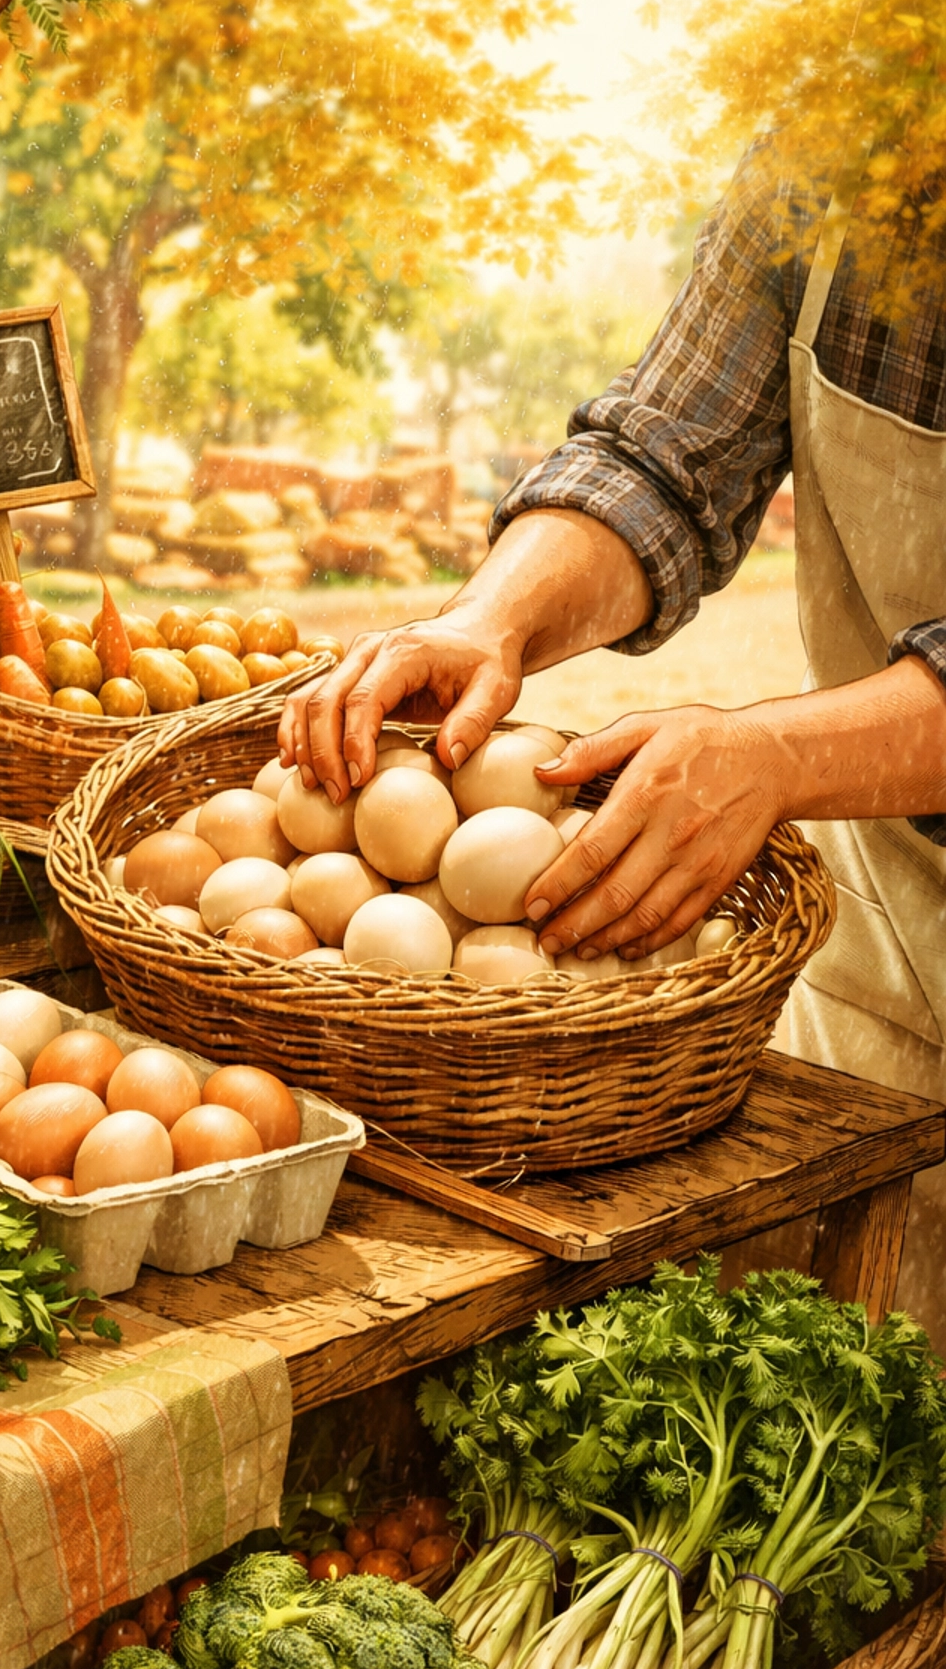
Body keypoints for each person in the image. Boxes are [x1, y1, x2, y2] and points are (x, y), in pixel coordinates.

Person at [280, 134, 946, 1338]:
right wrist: (490, 621)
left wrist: (778, 757)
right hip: (891, 930)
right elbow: (662, 458)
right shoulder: (831, 126)